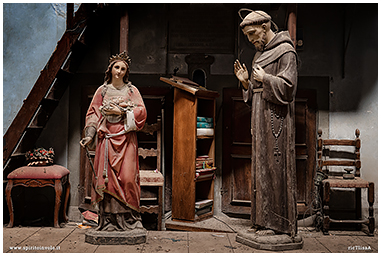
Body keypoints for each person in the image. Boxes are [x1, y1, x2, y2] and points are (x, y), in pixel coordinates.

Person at [234, 10, 298, 237]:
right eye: (248, 36)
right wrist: (245, 84)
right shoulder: (258, 55)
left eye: (252, 34)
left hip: (277, 119)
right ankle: (261, 220)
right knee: (260, 168)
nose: (251, 40)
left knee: (275, 168)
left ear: (265, 26)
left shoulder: (285, 50)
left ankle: (278, 225)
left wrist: (267, 79)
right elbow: (254, 95)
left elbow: (289, 89)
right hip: (259, 117)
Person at [80, 51, 147, 231]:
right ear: (110, 69)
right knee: (106, 180)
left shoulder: (132, 91)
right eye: (116, 67)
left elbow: (142, 111)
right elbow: (93, 115)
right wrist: (89, 135)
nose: (119, 71)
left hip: (126, 139)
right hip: (106, 140)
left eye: (123, 68)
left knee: (127, 178)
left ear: (126, 72)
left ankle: (131, 220)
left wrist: (123, 112)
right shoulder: (102, 91)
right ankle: (108, 221)